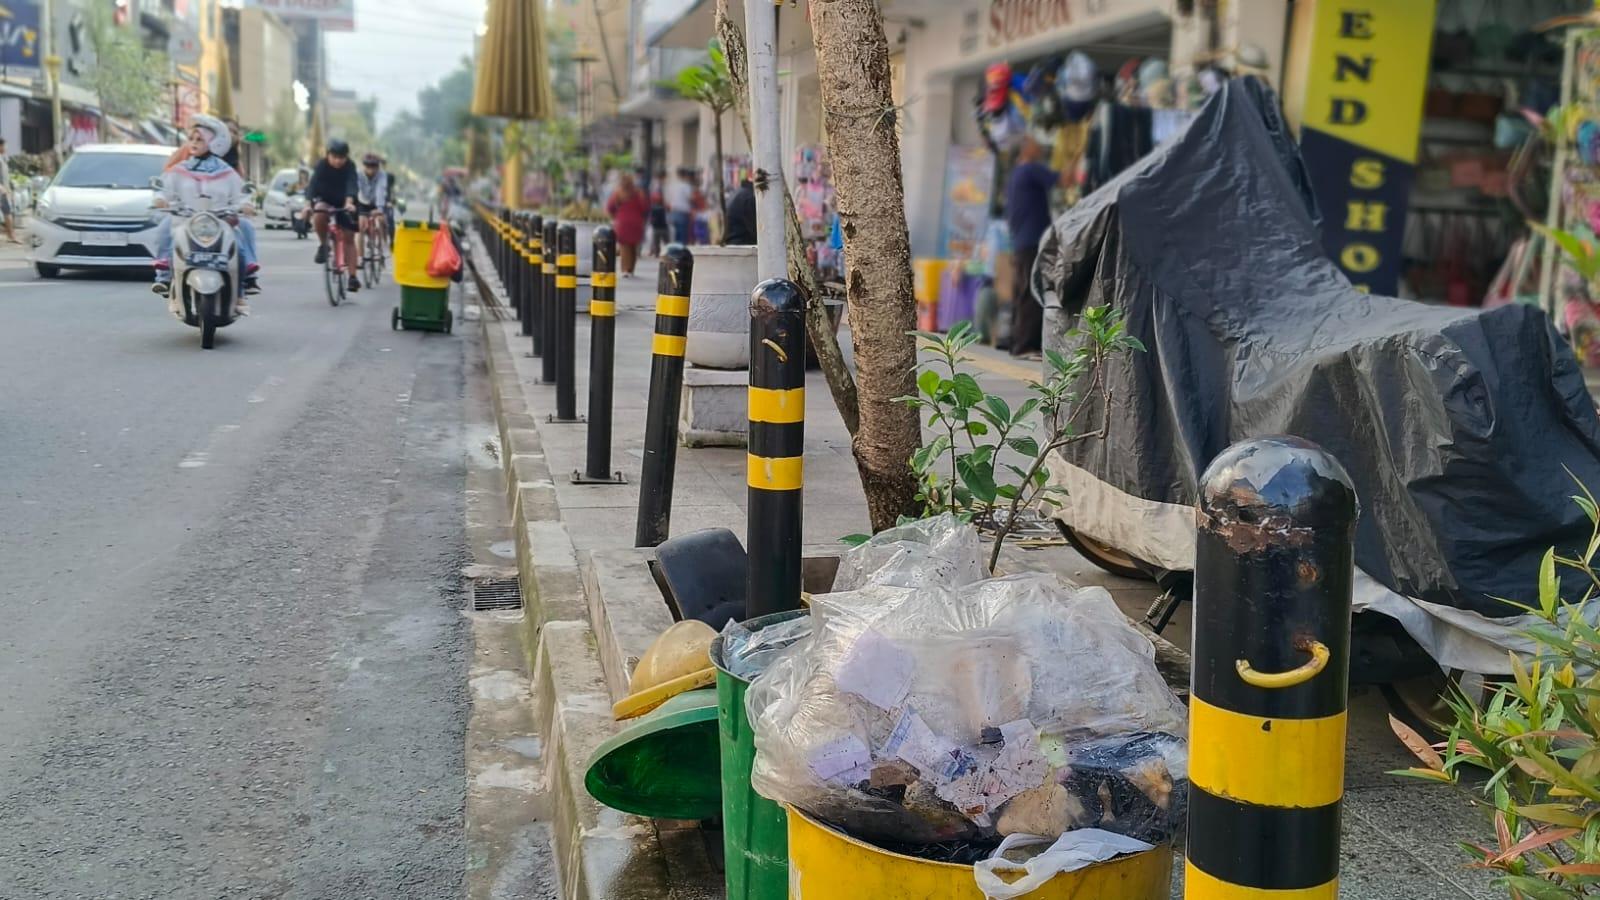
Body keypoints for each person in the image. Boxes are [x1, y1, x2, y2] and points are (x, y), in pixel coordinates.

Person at [151, 115, 254, 311]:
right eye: (192, 139)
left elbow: (241, 195)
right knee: (172, 244)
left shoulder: (227, 172)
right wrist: (160, 199)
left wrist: (246, 204)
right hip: (185, 222)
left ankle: (240, 293)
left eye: (199, 139)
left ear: (212, 142)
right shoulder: (179, 170)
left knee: (238, 250)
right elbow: (164, 189)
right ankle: (167, 282)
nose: (194, 143)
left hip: (220, 224)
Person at [1004, 133, 1069, 357]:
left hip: (1021, 241)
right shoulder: (1031, 169)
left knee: (1022, 291)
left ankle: (1017, 342)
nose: (1039, 145)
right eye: (1033, 142)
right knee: (1033, 292)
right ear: (1025, 149)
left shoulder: (1016, 174)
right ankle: (1027, 345)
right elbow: (1064, 180)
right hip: (1032, 241)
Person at [305, 139, 361, 292]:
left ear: (346, 157)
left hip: (345, 202)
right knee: (319, 213)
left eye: (341, 157)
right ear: (328, 155)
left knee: (349, 237)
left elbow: (352, 184)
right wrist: (307, 204)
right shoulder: (321, 165)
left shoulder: (350, 166)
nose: (337, 161)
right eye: (334, 157)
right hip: (326, 200)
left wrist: (349, 202)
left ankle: (352, 277)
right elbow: (313, 185)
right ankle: (324, 245)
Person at [604, 172, 650, 277]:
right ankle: (631, 269)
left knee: (624, 247)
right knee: (634, 247)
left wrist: (615, 216)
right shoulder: (638, 192)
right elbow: (645, 207)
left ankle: (624, 270)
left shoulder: (618, 193)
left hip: (622, 223)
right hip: (637, 223)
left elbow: (610, 207)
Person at [355, 152, 390, 264]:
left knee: (381, 220)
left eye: (374, 167)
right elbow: (357, 190)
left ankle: (382, 248)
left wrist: (379, 209)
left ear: (378, 167)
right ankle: (360, 256)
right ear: (364, 166)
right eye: (368, 166)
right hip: (362, 201)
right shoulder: (358, 175)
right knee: (359, 226)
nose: (371, 169)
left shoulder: (382, 175)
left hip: (376, 201)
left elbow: (381, 190)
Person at [665, 167, 694, 245]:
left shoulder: (672, 185)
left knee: (676, 235)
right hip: (683, 212)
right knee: (683, 235)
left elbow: (668, 200)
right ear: (685, 175)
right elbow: (690, 198)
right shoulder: (686, 186)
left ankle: (676, 252)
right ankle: (681, 253)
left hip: (674, 212)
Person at [723, 178, 756, 246]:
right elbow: (755, 230)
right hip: (740, 244)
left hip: (732, 242)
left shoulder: (738, 192)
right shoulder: (749, 196)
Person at [647, 170, 668, 256]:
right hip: (657, 209)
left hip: (657, 209)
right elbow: (656, 197)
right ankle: (655, 249)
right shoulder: (657, 185)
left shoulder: (656, 185)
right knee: (658, 230)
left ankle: (655, 249)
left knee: (657, 230)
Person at [0, 138, 17, 243]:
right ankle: (11, 235)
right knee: (7, 212)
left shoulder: (3, 158)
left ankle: (10, 235)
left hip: (4, 190)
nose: (6, 148)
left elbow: (5, 176)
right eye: (4, 145)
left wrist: (10, 187)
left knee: (7, 212)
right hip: (1, 191)